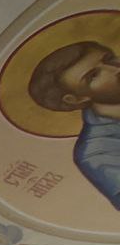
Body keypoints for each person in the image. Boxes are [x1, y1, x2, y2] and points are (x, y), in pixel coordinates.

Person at [27, 40, 120, 210]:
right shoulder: (98, 152)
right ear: (76, 99)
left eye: (109, 59)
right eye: (94, 75)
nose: (115, 69)